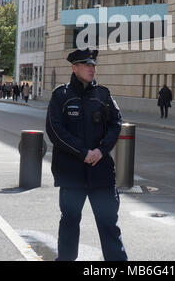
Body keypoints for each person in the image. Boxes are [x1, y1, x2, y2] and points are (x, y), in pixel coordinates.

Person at [46, 48, 128, 262]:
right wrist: (83, 153)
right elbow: (55, 131)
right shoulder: (60, 95)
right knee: (70, 222)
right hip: (71, 173)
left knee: (109, 223)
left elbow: (115, 124)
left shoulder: (103, 95)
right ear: (75, 68)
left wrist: (101, 150)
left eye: (93, 65)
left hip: (100, 172)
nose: (92, 68)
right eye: (87, 65)